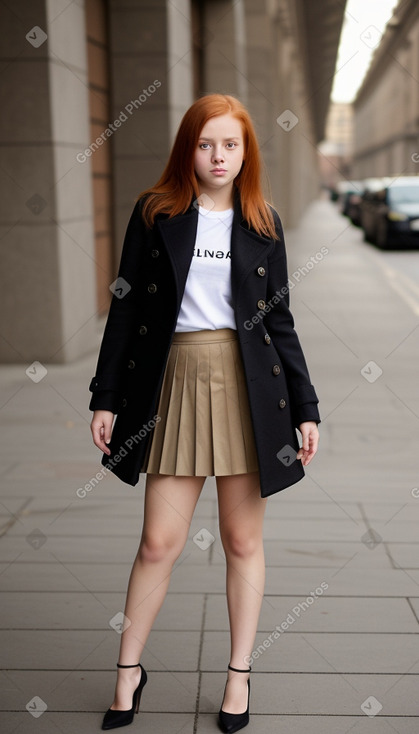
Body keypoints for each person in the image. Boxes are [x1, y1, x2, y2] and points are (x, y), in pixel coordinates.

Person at [89, 93, 320, 732]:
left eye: (231, 144)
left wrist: (307, 408)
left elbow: (281, 322)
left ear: (246, 152)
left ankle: (238, 674)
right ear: (187, 148)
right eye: (205, 143)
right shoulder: (156, 214)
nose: (218, 156)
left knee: (243, 540)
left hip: (249, 388)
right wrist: (105, 395)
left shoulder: (262, 220)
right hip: (173, 385)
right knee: (158, 542)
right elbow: (127, 308)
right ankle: (128, 673)